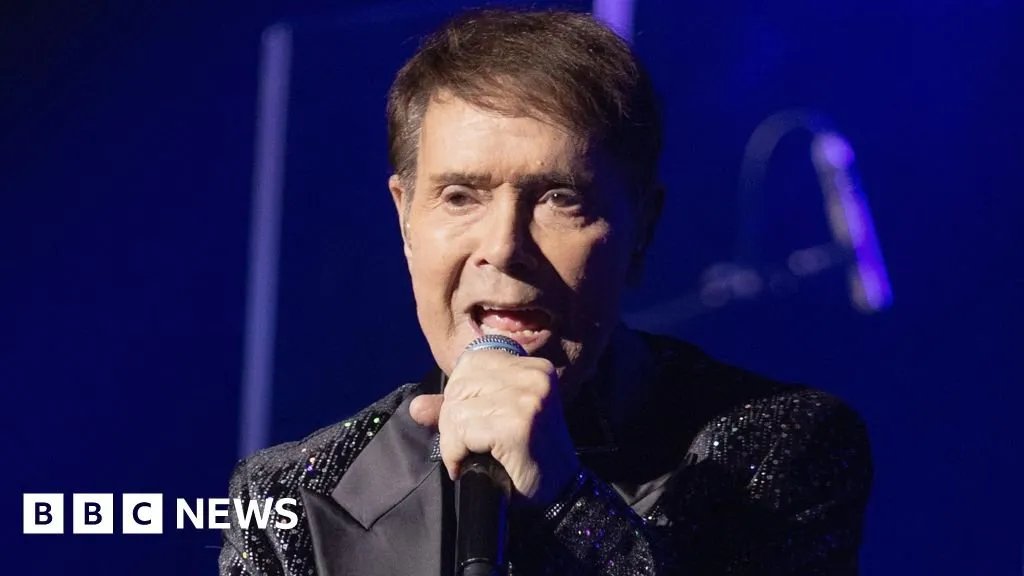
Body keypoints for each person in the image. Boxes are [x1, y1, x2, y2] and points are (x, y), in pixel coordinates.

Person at [219, 8, 872, 576]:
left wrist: (563, 499)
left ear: (641, 229)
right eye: (460, 196)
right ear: (405, 220)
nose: (504, 246)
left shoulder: (780, 447)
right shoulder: (289, 495)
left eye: (561, 198)